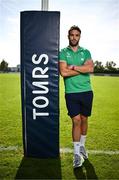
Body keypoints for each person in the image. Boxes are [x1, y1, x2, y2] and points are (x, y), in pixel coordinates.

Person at [59, 25, 94, 168]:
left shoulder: (85, 52)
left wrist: (72, 67)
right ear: (68, 36)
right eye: (72, 35)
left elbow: (91, 69)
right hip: (71, 92)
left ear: (80, 36)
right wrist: (82, 69)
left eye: (77, 35)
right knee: (76, 121)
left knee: (84, 119)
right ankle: (76, 155)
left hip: (86, 91)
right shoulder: (62, 52)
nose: (74, 37)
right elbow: (63, 73)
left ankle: (82, 147)